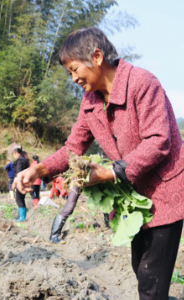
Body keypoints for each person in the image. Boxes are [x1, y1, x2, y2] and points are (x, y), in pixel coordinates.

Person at [14, 27, 184, 300]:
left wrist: (109, 172)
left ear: (96, 57)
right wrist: (38, 169)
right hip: (134, 198)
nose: (73, 78)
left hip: (165, 195)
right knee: (142, 273)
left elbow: (158, 141)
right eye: (68, 73)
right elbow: (73, 147)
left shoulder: (142, 83)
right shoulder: (91, 101)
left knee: (151, 284)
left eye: (74, 69)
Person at [11, 148, 29, 221]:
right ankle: (22, 216)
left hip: (20, 182)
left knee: (19, 199)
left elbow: (19, 173)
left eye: (13, 154)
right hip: (24, 181)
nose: (14, 156)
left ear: (16, 153)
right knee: (21, 199)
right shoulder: (24, 159)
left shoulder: (20, 160)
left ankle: (22, 217)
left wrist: (14, 182)